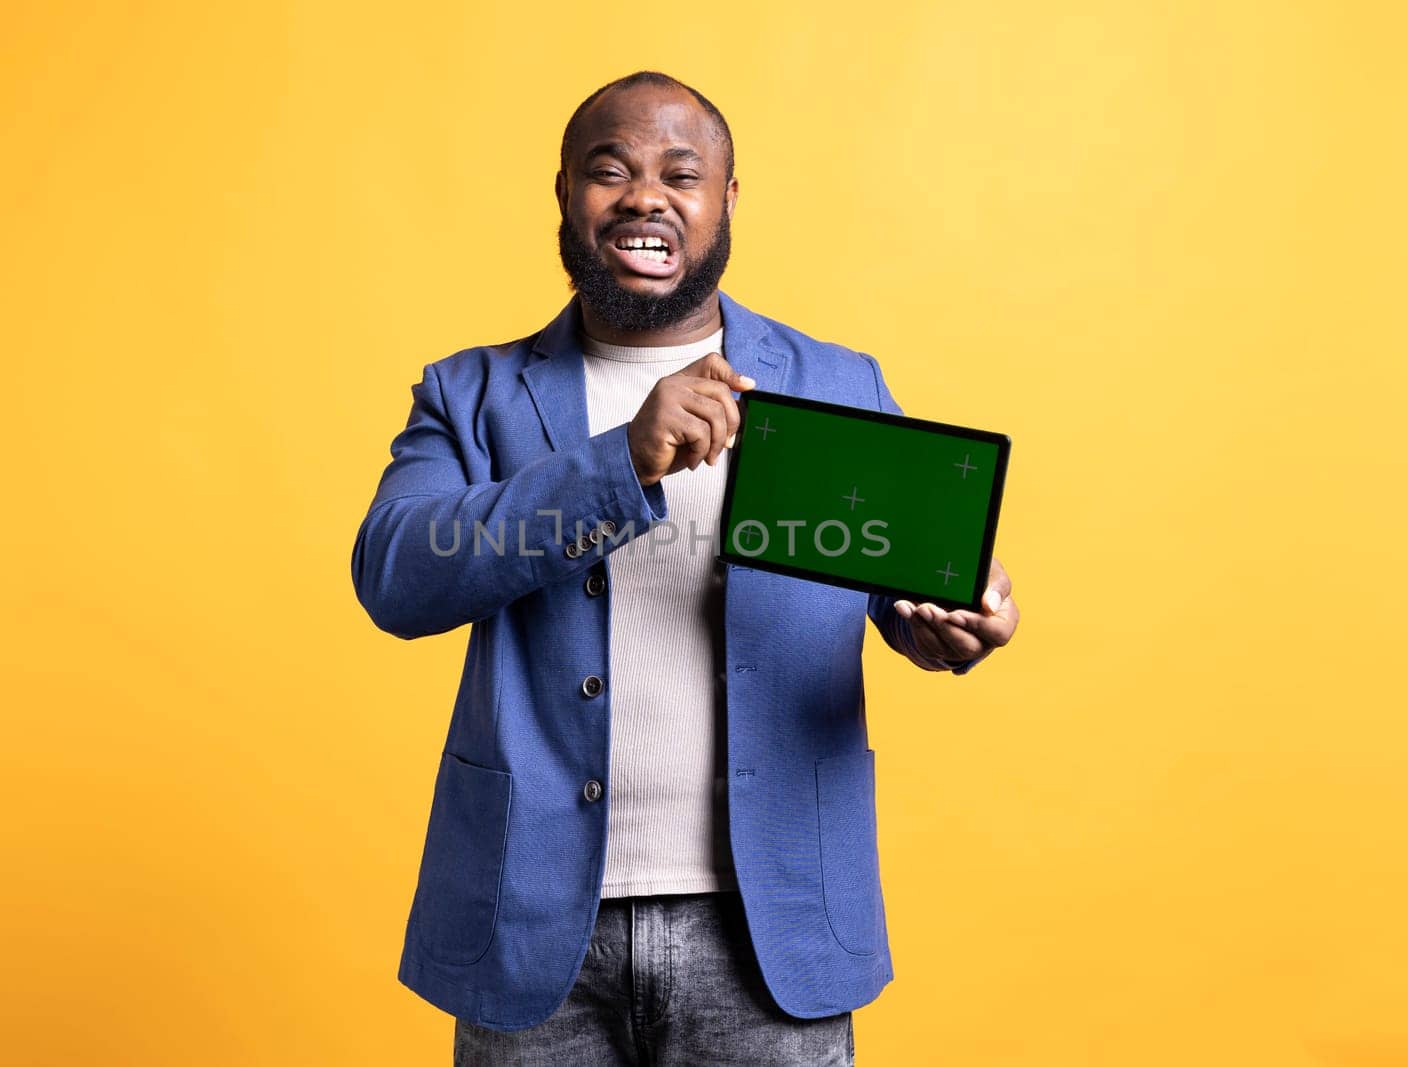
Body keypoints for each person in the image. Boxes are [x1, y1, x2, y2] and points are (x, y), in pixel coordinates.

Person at [351, 70, 1020, 1066]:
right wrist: (620, 458)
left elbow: (905, 591)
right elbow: (400, 572)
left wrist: (952, 625)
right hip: (531, 930)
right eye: (609, 170)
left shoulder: (837, 385)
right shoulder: (469, 393)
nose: (644, 196)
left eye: (680, 173)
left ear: (726, 202)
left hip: (770, 928)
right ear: (566, 195)